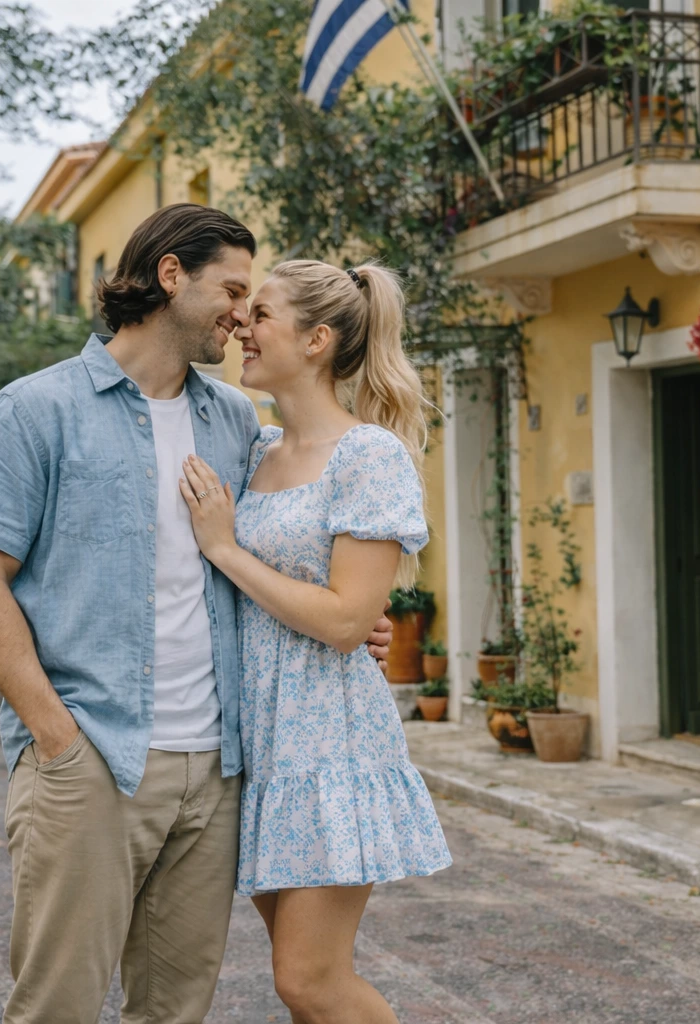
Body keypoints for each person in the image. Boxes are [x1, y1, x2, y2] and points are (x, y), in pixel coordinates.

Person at [0, 204, 394, 1024]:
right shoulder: (34, 411)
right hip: (92, 757)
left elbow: (284, 548)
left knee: (176, 1010)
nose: (239, 316)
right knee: (57, 1008)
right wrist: (56, 737)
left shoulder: (235, 424)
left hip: (218, 772)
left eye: (254, 303)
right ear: (170, 275)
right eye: (232, 291)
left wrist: (354, 616)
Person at [181, 259, 451, 1023]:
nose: (242, 325)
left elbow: (341, 620)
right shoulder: (256, 448)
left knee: (310, 980)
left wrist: (226, 549)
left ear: (318, 340)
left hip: (329, 741)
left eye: (260, 312)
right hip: (260, 742)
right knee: (299, 985)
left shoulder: (369, 455)